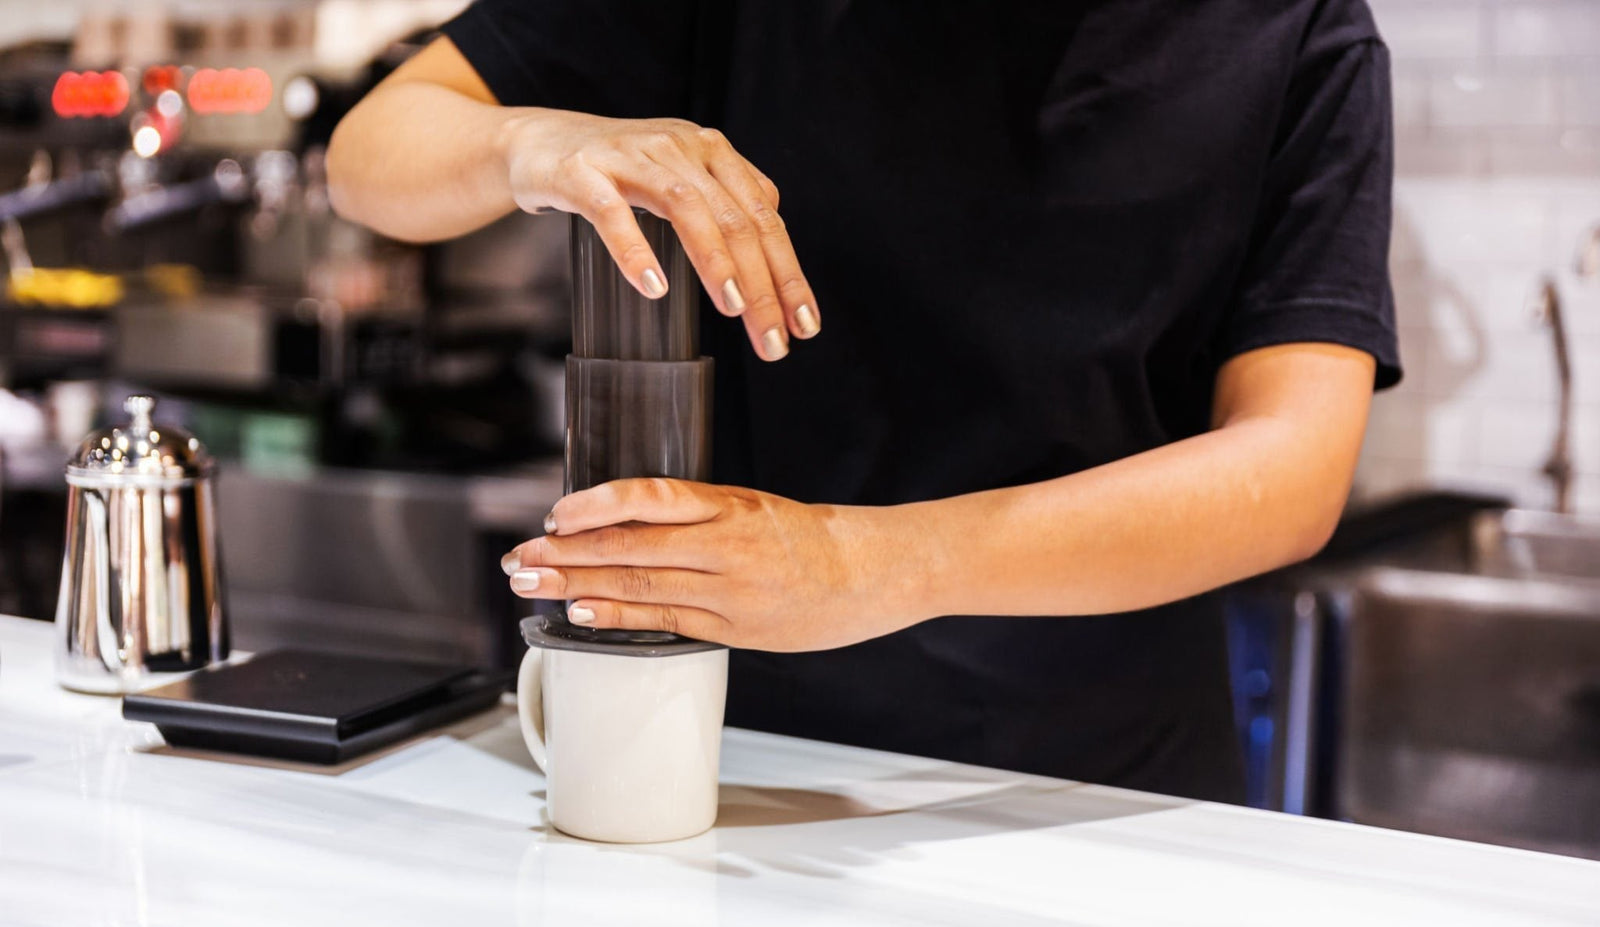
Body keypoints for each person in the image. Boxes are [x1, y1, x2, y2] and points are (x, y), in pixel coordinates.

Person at [327, 0, 1399, 803]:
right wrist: (533, 143)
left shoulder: (1297, 32)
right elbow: (372, 151)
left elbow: (1291, 468)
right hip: (730, 768)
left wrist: (869, 562)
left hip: (1097, 791)